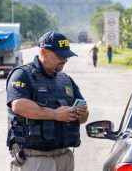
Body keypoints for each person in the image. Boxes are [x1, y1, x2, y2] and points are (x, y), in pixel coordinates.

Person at [6, 31, 89, 171]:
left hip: (64, 157)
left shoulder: (66, 80)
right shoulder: (22, 75)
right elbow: (19, 105)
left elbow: (84, 116)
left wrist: (81, 113)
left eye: (67, 56)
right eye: (60, 55)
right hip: (35, 159)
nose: (65, 60)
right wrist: (55, 114)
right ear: (44, 52)